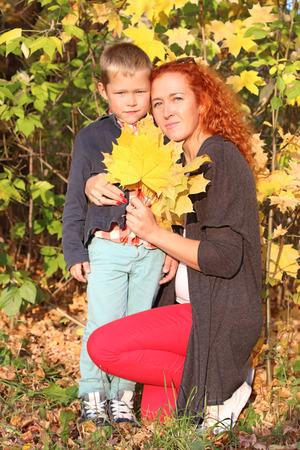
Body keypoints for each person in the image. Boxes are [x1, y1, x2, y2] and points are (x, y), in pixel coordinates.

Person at [85, 58, 263, 431]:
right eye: (159, 102)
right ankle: (216, 378)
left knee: (103, 347)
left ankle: (225, 382)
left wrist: (156, 235)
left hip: (215, 314)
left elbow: (226, 258)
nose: (166, 111)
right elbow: (117, 177)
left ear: (203, 102)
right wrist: (90, 185)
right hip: (186, 308)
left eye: (177, 99)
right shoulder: (175, 161)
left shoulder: (220, 157)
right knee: (157, 417)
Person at [62, 43, 177, 427]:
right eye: (121, 93)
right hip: (108, 248)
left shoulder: (165, 134)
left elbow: (176, 198)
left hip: (152, 251)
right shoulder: (91, 137)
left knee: (136, 326)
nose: (132, 101)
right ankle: (92, 392)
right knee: (103, 322)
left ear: (151, 87)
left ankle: (122, 397)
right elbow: (75, 200)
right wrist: (75, 252)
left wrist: (173, 248)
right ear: (103, 91)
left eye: (140, 92)